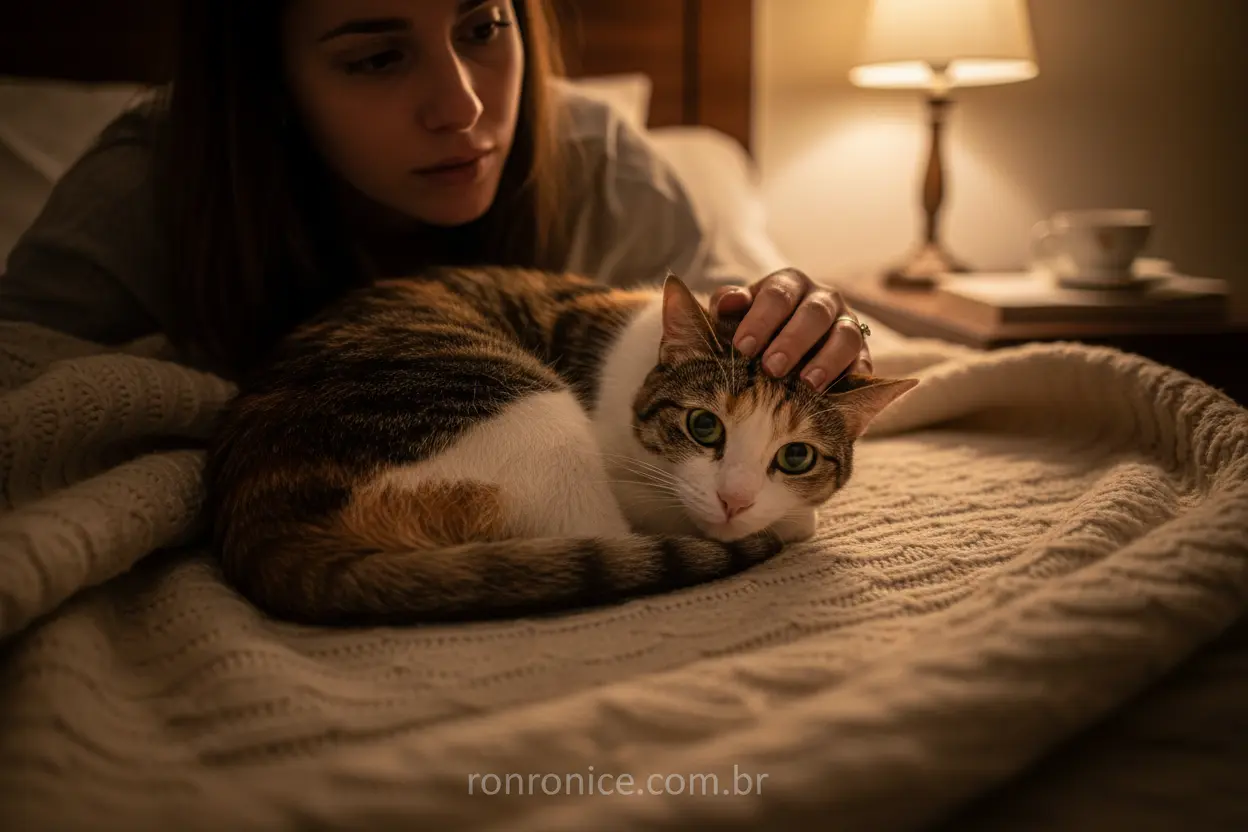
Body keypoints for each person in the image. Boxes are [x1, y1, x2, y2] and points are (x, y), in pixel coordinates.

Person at [0, 0, 871, 389]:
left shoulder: (600, 166)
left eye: (483, 27)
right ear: (269, 85)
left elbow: (740, 325)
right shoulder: (149, 189)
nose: (465, 107)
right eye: (377, 57)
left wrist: (797, 322)